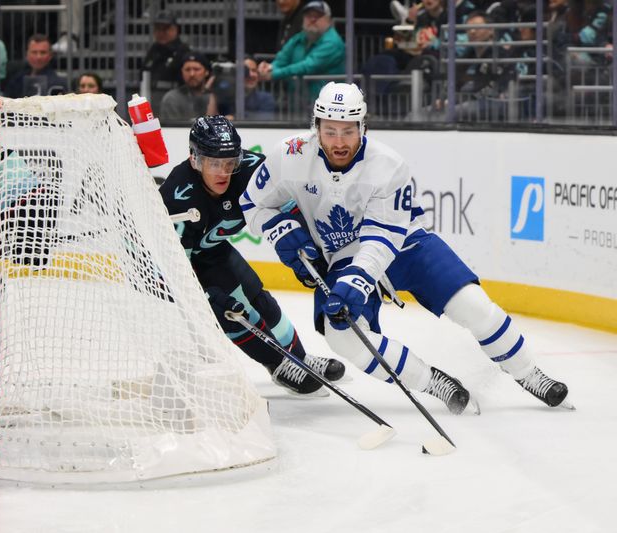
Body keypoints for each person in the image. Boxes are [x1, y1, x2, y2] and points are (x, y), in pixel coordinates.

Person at [240, 82, 570, 413]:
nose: (339, 142)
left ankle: (530, 374)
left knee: (473, 305)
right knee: (340, 334)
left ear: (363, 127)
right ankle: (434, 382)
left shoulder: (388, 165)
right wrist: (277, 228)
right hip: (342, 256)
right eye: (330, 131)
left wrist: (358, 279)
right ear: (316, 128)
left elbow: (382, 237)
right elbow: (252, 203)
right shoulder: (289, 155)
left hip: (404, 244)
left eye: (348, 131)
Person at [158, 116, 345, 394]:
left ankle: (300, 359)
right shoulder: (179, 196)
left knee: (258, 297)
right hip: (165, 263)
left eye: (230, 162)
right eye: (214, 163)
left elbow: (290, 207)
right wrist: (206, 296)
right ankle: (280, 365)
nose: (223, 172)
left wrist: (305, 240)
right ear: (195, 159)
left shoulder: (252, 170)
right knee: (230, 310)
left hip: (211, 249)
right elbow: (168, 267)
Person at [258, 1, 345, 103]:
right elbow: (282, 59)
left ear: (328, 20)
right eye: (308, 16)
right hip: (298, 104)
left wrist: (274, 74)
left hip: (327, 105)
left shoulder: (332, 42)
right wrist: (269, 68)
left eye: (318, 16)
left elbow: (307, 66)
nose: (312, 19)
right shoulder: (299, 38)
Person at [142, 11, 191, 109]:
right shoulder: (154, 49)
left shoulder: (183, 51)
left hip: (175, 103)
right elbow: (144, 71)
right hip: (151, 99)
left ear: (175, 29)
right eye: (157, 29)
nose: (161, 33)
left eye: (165, 29)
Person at [159, 52, 218, 121]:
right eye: (187, 70)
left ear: (206, 72)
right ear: (182, 72)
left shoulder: (216, 96)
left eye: (196, 69)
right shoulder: (172, 98)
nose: (192, 74)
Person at [4, 33, 67, 98]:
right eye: (34, 52)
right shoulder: (16, 80)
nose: (38, 57)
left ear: (50, 55)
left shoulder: (58, 83)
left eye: (43, 52)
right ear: (27, 54)